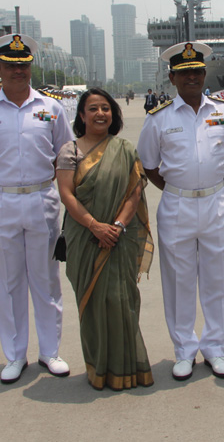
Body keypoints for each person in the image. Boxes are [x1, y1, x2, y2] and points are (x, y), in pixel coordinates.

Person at [137, 41, 224, 381]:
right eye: (184, 73)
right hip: (176, 206)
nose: (192, 78)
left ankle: (216, 348)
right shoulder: (158, 119)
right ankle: (184, 350)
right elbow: (149, 165)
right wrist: (179, 189)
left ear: (204, 73)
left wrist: (210, 183)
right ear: (172, 78)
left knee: (218, 278)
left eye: (197, 72)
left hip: (215, 202)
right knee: (179, 280)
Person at [0, 33, 74, 383]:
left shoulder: (51, 108)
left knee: (46, 278)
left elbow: (65, 154)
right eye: (11, 66)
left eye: (24, 65)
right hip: (1, 200)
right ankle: (15, 355)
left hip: (42, 198)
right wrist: (5, 187)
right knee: (8, 279)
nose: (19, 71)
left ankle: (50, 351)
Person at [56, 88, 154, 390]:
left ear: (113, 114)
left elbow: (134, 191)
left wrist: (117, 226)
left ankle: (128, 368)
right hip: (84, 237)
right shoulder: (69, 151)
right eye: (94, 109)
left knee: (121, 300)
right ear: (82, 115)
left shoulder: (124, 149)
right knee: (93, 302)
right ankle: (98, 368)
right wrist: (95, 226)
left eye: (106, 108)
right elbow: (66, 194)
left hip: (119, 237)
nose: (101, 114)